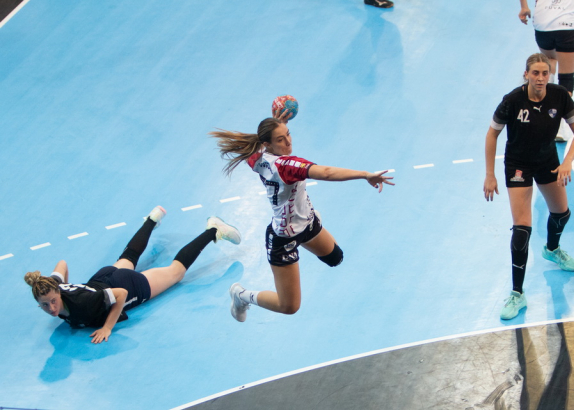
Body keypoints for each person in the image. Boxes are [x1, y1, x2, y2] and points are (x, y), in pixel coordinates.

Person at [211, 114, 394, 322]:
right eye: (280, 139)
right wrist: (365, 174)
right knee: (289, 306)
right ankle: (241, 295)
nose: (288, 142)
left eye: (288, 135)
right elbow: (326, 172)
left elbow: (258, 148)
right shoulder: (286, 166)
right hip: (283, 239)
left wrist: (279, 124)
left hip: (307, 223)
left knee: (336, 258)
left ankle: (306, 219)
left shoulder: (256, 158)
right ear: (267, 144)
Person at [25, 206, 241, 343]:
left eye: (53, 301)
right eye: (45, 305)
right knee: (129, 255)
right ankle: (152, 219)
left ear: (58, 293)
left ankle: (214, 229)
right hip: (103, 277)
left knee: (176, 272)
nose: (51, 308)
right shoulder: (50, 286)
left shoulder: (83, 302)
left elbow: (121, 294)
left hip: (124, 285)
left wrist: (107, 327)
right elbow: (62, 264)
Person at [483, 53, 574, 320]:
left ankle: (552, 249)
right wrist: (490, 175)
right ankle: (517, 294)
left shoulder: (559, 96)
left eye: (545, 73)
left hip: (547, 161)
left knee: (562, 214)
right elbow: (492, 134)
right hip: (518, 165)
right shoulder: (512, 101)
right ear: (526, 74)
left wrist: (567, 161)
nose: (540, 78)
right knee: (522, 228)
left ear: (549, 75)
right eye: (535, 73)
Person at [518, 0, 574, 141]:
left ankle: (539, 116)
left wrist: (524, 7)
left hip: (542, 24)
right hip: (566, 25)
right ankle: (558, 126)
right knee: (566, 78)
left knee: (550, 60)